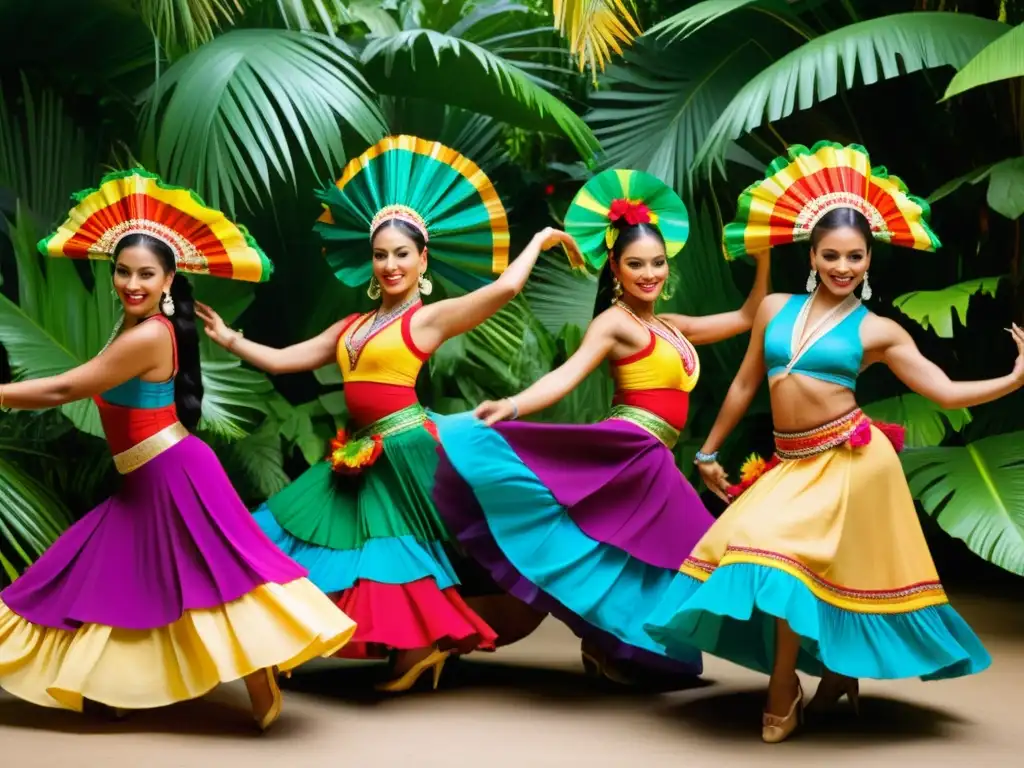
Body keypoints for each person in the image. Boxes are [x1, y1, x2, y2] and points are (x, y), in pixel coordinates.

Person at [644, 141, 1014, 743]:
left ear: (870, 260)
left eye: (857, 257)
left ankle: (782, 688)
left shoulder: (878, 329)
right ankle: (839, 673)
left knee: (794, 567)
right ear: (812, 255)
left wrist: (1015, 379)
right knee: (777, 558)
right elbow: (742, 386)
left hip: (851, 460)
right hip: (792, 462)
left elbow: (943, 391)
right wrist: (707, 452)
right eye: (832, 255)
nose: (844, 267)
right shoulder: (772, 308)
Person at [197, 135, 581, 692]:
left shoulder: (425, 320)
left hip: (405, 450)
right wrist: (229, 338)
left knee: (394, 552)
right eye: (381, 255)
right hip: (357, 451)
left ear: (422, 259)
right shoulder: (351, 327)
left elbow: (506, 287)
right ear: (369, 262)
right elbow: (283, 361)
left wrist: (541, 238)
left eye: (402, 254)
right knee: (294, 534)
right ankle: (307, 635)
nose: (391, 264)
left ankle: (417, 648)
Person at [0, 169, 356, 730]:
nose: (131, 283)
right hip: (151, 474)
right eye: (122, 271)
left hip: (171, 472)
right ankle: (105, 683)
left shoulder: (147, 334)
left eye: (146, 274)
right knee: (117, 576)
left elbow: (67, 388)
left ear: (169, 280)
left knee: (214, 578)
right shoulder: (135, 327)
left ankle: (256, 666)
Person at [430, 168, 770, 683]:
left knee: (652, 555)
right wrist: (516, 406)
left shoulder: (671, 327)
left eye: (657, 263)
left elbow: (749, 315)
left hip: (656, 460)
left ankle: (607, 645)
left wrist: (765, 249)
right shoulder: (614, 323)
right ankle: (449, 633)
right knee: (658, 548)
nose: (649, 273)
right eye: (636, 264)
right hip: (626, 449)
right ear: (615, 266)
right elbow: (566, 376)